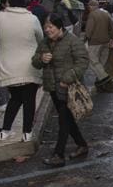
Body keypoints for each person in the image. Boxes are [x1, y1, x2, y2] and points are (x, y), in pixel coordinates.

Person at [32, 13, 89, 168]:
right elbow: (35, 61)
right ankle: (82, 144)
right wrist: (41, 59)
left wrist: (67, 78)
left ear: (60, 27)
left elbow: (83, 61)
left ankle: (58, 155)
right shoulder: (44, 42)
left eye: (50, 27)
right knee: (67, 119)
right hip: (52, 87)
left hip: (68, 88)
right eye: (45, 27)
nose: (47, 30)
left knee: (63, 120)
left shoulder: (72, 41)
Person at [0, 0, 43, 142]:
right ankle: (27, 133)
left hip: (8, 65)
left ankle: (5, 131)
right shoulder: (32, 19)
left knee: (15, 99)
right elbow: (41, 38)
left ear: (8, 1)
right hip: (29, 65)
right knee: (29, 100)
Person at [84, 0, 113, 91]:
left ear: (92, 6)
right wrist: (111, 37)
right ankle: (100, 80)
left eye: (89, 6)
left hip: (94, 42)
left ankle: (104, 77)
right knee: (102, 61)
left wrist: (85, 38)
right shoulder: (106, 14)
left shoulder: (92, 15)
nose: (88, 8)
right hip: (106, 41)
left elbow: (89, 30)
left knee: (93, 61)